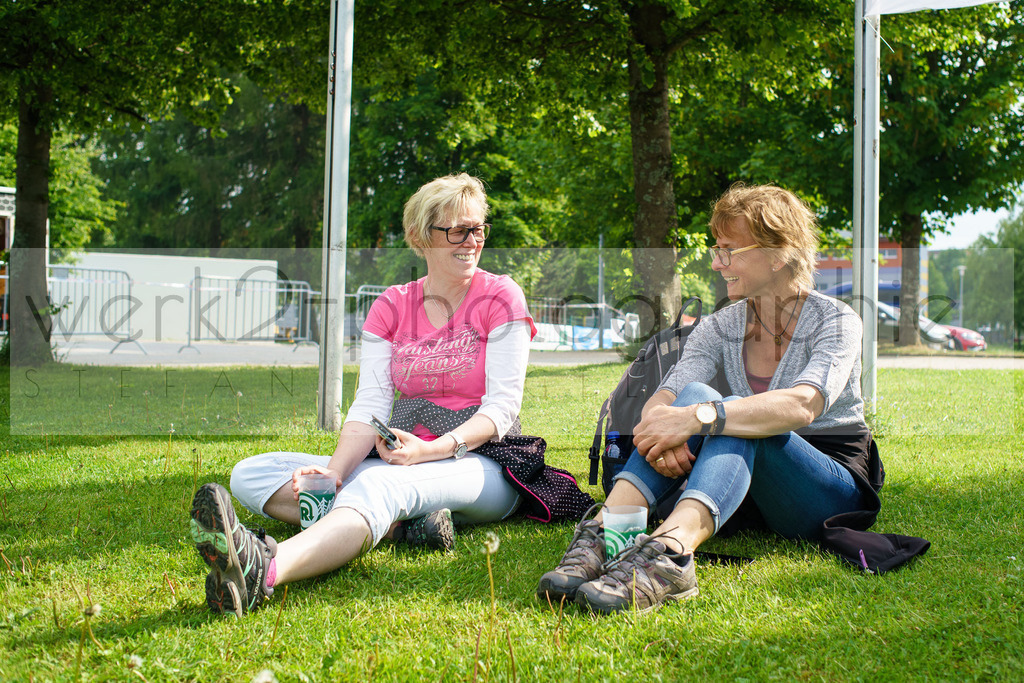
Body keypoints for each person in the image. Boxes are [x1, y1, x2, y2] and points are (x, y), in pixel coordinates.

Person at [190, 173, 538, 617]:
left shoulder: (501, 295)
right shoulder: (392, 304)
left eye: (477, 229)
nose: (470, 241)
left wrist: (430, 450)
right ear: (419, 237)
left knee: (377, 484)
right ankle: (400, 530)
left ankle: (266, 569)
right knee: (251, 473)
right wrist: (333, 473)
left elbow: (503, 408)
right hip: (399, 458)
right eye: (455, 230)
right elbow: (371, 402)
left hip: (485, 461)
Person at [538, 183, 881, 614]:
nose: (717, 263)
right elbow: (665, 396)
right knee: (704, 397)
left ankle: (671, 552)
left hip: (824, 486)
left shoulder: (835, 319)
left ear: (779, 252)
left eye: (728, 250)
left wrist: (699, 417)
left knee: (728, 409)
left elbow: (801, 405)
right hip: (749, 490)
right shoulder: (721, 323)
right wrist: (663, 432)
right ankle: (611, 533)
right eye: (716, 249)